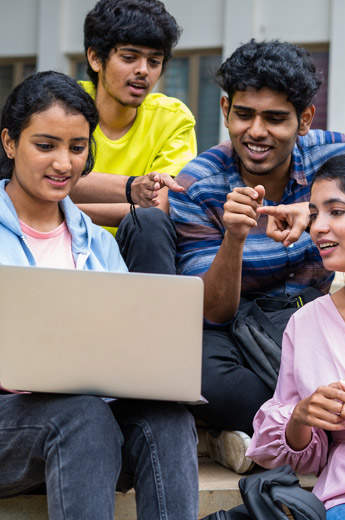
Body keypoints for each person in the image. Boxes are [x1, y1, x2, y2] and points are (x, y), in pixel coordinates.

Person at [0, 70, 198, 520]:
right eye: (45, 145)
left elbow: (122, 350)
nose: (63, 163)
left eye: (77, 147)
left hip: (86, 432)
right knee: (83, 416)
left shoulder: (99, 243)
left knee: (167, 419)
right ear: (10, 143)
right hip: (15, 427)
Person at [169, 39, 345, 474]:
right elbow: (214, 313)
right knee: (200, 376)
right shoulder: (199, 184)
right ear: (225, 110)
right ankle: (296, 431)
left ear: (305, 120)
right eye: (244, 115)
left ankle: (263, 435)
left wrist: (318, 209)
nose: (256, 131)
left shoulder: (338, 157)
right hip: (235, 325)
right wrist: (234, 240)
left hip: (318, 316)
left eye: (276, 118)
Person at [247, 151, 345, 520]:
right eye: (314, 214)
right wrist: (300, 419)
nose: (318, 227)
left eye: (336, 212)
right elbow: (299, 455)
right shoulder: (306, 324)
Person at [70, 0, 197, 274]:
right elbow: (28, 182)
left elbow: (156, 209)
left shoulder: (173, 119)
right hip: (59, 241)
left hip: (132, 254)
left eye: (154, 61)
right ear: (95, 58)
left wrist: (62, 207)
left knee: (148, 222)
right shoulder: (62, 106)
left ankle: (155, 315)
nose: (143, 70)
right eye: (129, 58)